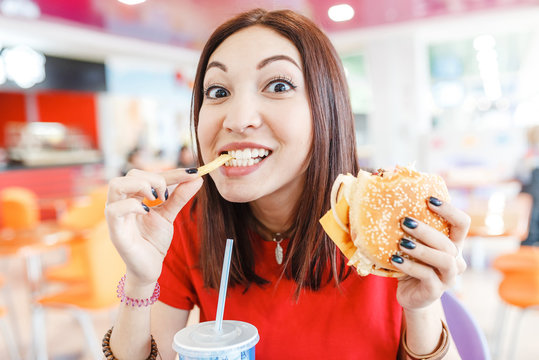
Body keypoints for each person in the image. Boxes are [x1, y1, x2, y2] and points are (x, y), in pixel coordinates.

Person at [104, 8, 469, 360]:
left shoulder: (386, 218)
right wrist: (140, 280)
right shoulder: (184, 223)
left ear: (326, 108)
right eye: (217, 92)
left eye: (278, 85)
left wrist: (422, 308)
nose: (238, 119)